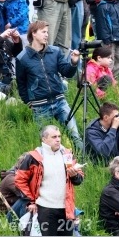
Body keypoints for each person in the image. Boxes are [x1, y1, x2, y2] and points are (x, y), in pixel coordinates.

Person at [15, 20, 83, 151]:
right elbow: (21, 84)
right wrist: (29, 103)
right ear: (33, 33)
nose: (47, 35)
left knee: (75, 135)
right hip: (40, 107)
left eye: (47, 32)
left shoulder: (55, 51)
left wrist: (73, 63)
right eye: (43, 32)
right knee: (46, 144)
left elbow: (66, 72)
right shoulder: (22, 58)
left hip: (60, 101)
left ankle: (84, 163)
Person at [14, 125, 85, 236]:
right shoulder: (33, 157)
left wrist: (74, 176)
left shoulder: (67, 154)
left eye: (59, 136)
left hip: (66, 209)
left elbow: (79, 179)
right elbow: (19, 180)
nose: (58, 139)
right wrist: (30, 201)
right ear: (44, 139)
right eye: (54, 137)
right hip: (45, 209)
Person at [94, 0, 119, 76]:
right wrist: (106, 40)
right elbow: (102, 26)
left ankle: (113, 80)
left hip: (118, 39)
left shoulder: (115, 5)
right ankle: (106, 81)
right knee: (109, 61)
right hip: (109, 41)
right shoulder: (102, 7)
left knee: (118, 60)